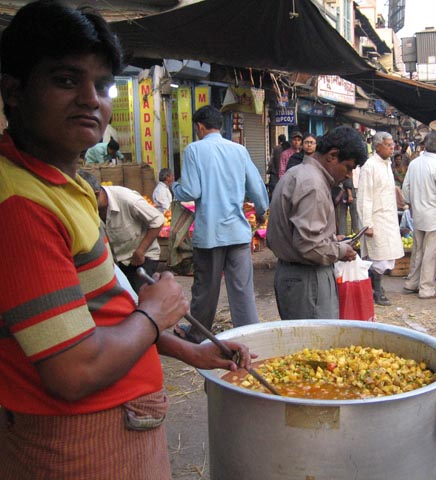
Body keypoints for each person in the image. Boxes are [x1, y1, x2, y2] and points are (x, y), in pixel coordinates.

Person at [0, 2, 252, 478]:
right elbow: (73, 370)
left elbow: (100, 314)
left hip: (118, 425)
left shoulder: (66, 181)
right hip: (78, 443)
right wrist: (155, 313)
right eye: (65, 80)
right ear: (13, 90)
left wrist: (190, 349)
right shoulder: (18, 205)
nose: (91, 99)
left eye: (102, 84)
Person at [172, 105, 269, 343]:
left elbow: (191, 190)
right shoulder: (239, 150)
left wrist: (175, 188)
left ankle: (198, 334)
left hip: (210, 233)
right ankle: (249, 335)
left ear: (200, 127)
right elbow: (256, 187)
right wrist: (261, 211)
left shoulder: (194, 149)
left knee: (206, 288)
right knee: (242, 290)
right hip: (238, 231)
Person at [267, 126, 367, 319]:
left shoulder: (298, 173)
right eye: (348, 167)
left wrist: (329, 239)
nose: (348, 175)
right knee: (315, 344)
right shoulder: (313, 185)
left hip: (296, 276)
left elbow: (303, 234)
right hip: (308, 280)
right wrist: (339, 251)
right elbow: (308, 246)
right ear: (332, 155)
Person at [80, 171, 165, 293]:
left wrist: (141, 250)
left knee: (139, 297)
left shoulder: (128, 199)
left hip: (142, 257)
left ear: (96, 194)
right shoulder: (88, 209)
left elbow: (158, 220)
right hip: (118, 260)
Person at [401, 131, 436, 299]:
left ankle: (412, 282)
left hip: (418, 214)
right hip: (433, 216)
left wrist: (411, 205)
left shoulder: (415, 163)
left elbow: (406, 188)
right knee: (431, 253)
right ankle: (426, 288)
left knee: (418, 251)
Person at [357, 131, 404, 306]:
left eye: (393, 145)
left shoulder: (386, 165)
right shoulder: (370, 166)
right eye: (388, 145)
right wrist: (367, 224)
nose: (392, 148)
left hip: (388, 218)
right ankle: (376, 291)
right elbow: (364, 198)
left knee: (387, 257)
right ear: (377, 146)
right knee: (378, 258)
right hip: (376, 220)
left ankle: (375, 288)